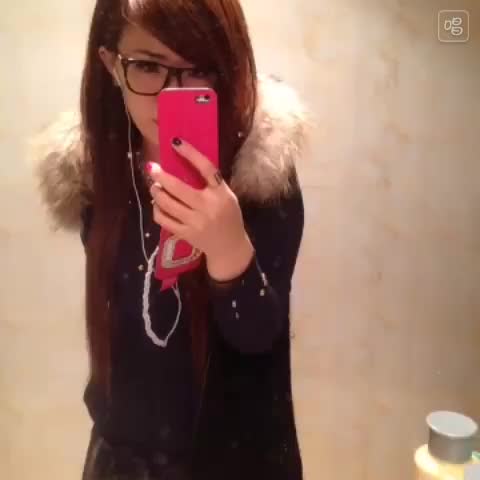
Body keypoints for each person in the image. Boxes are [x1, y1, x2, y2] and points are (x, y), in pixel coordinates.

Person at [33, 0, 309, 478]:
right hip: (121, 456)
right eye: (147, 66)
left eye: (198, 69)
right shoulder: (97, 177)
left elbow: (258, 337)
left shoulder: (260, 181)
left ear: (227, 67)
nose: (171, 94)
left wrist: (229, 251)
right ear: (111, 66)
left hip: (233, 460)